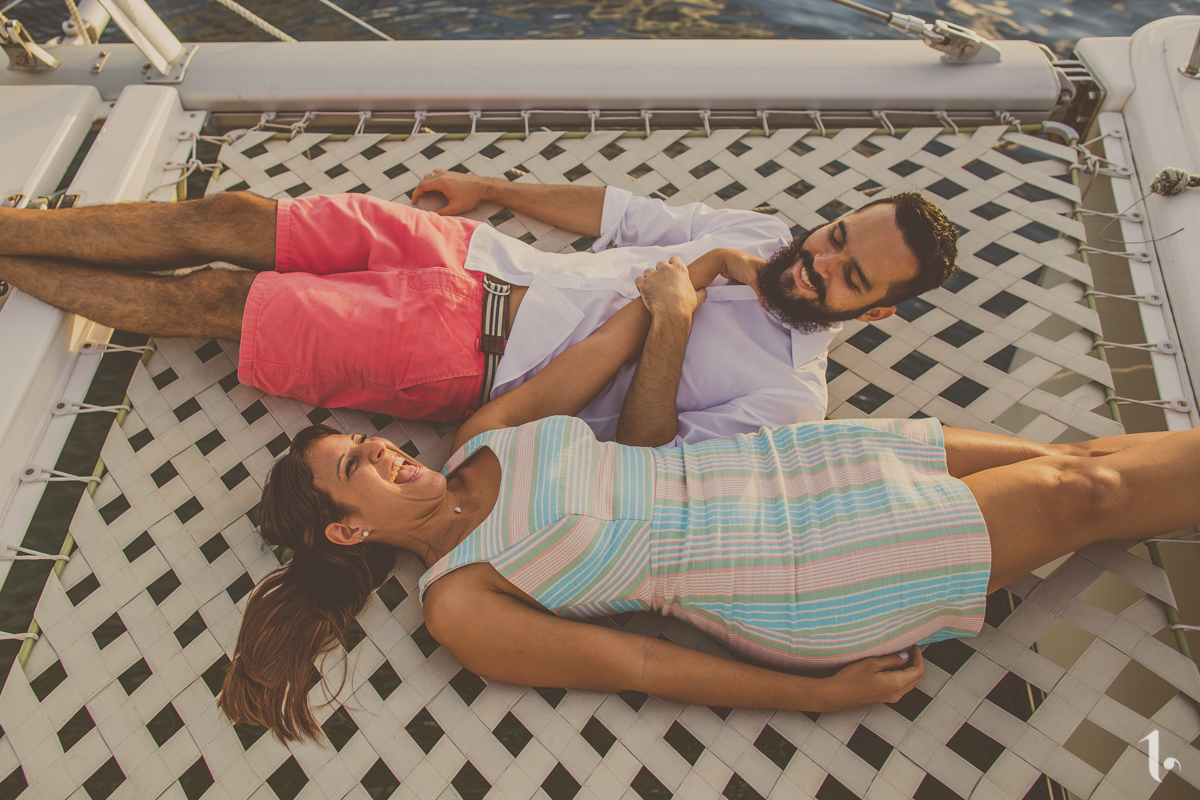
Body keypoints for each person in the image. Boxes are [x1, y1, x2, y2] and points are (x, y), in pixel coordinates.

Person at [218, 250, 1195, 742]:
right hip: (801, 574)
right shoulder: (462, 600)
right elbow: (641, 658)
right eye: (359, 467)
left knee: (1082, 455)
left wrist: (682, 284)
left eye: (372, 442)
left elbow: (606, 348)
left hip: (802, 464)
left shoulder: (483, 441)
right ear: (350, 526)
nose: (388, 454)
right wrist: (814, 694)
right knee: (1090, 489)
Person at [0, 169, 958, 446]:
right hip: (479, 255)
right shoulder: (762, 229)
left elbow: (645, 448)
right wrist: (494, 187)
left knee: (220, 299)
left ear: (872, 316)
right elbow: (622, 214)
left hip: (478, 354)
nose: (817, 262)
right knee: (236, 216)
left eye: (847, 278)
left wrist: (673, 315)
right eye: (836, 236)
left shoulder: (790, 403)